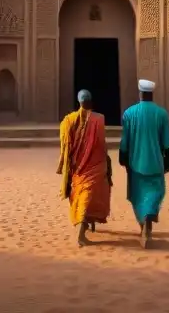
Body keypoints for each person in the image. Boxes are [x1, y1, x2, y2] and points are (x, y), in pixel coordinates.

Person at [119, 78, 169, 248]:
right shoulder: (161, 114)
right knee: (154, 194)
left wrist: (123, 158)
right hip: (155, 163)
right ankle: (147, 227)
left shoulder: (129, 113)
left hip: (135, 163)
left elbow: (125, 141)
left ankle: (144, 226)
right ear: (152, 93)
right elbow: (167, 142)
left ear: (140, 93)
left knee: (139, 196)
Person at [56, 89, 113, 247]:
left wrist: (66, 162)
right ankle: (81, 231)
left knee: (82, 195)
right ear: (91, 102)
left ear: (78, 102)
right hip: (94, 166)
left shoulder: (68, 121)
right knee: (88, 196)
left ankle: (86, 222)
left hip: (77, 168)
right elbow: (101, 145)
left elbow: (65, 145)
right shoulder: (99, 119)